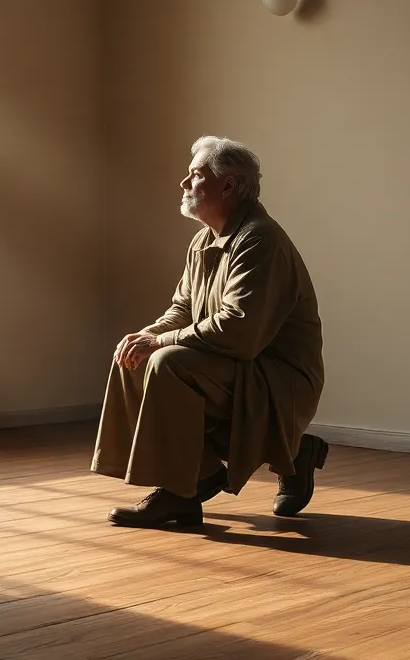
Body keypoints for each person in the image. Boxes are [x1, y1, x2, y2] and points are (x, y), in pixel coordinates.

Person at [92, 136, 326, 527]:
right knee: (132, 358)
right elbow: (182, 309)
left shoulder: (259, 239)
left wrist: (160, 342)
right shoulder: (203, 240)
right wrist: (146, 336)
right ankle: (211, 471)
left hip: (278, 378)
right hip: (232, 365)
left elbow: (239, 330)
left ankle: (181, 494)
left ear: (228, 184)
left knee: (167, 362)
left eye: (195, 175)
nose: (184, 184)